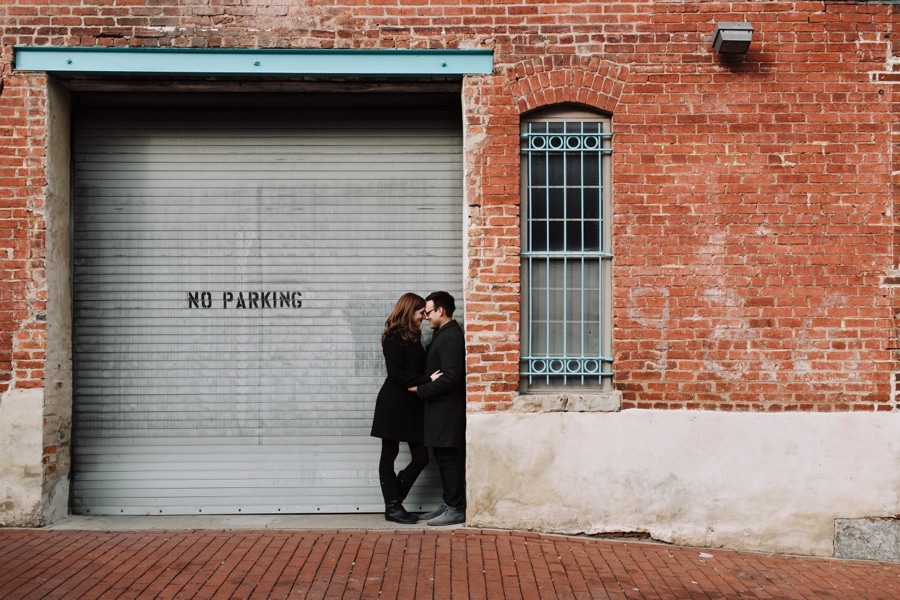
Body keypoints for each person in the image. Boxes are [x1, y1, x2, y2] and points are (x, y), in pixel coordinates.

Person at [370, 293, 438, 524]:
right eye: (421, 313)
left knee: (421, 457)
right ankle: (393, 507)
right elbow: (396, 373)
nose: (424, 317)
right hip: (393, 404)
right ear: (409, 311)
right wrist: (427, 380)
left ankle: (395, 500)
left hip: (412, 405)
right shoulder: (394, 336)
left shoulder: (413, 335)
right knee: (389, 454)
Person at [409, 291, 467, 526]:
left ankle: (455, 508)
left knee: (448, 458)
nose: (426, 317)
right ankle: (449, 503)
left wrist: (421, 390)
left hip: (447, 410)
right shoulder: (443, 334)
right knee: (443, 457)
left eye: (428, 312)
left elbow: (451, 377)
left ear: (440, 311)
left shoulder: (451, 336)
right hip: (440, 409)